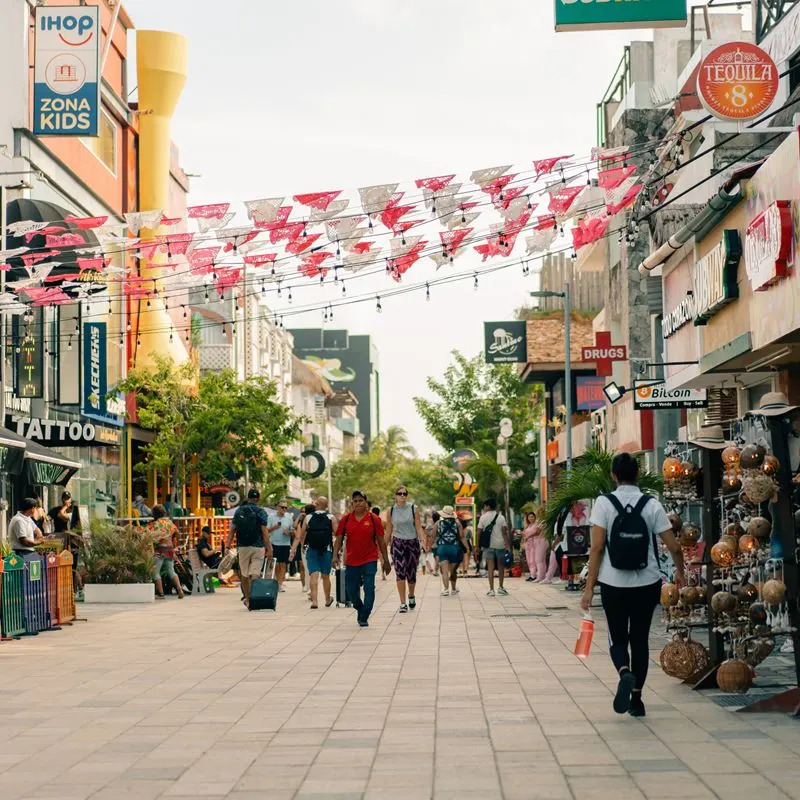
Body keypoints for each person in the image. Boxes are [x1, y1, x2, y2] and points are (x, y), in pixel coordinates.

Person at [582, 452, 685, 718]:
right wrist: (681, 574)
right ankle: (637, 700)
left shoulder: (603, 504)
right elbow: (673, 546)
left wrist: (588, 587)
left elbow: (596, 548)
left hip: (612, 582)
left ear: (613, 475)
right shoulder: (651, 504)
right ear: (638, 474)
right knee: (639, 639)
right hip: (646, 581)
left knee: (618, 638)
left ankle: (623, 672)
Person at [333, 490, 391, 627]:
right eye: (355, 501)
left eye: (361, 500)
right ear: (352, 503)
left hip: (369, 559)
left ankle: (365, 615)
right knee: (351, 590)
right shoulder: (346, 519)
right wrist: (335, 556)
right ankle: (359, 608)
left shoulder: (373, 519)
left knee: (369, 588)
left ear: (366, 503)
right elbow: (339, 538)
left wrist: (386, 560)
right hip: (352, 560)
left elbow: (381, 541)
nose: (358, 503)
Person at [226, 488, 272, 607]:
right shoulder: (261, 512)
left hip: (243, 547)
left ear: (248, 497)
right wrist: (270, 549)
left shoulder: (239, 511)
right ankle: (254, 596)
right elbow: (265, 533)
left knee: (244, 574)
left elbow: (232, 530)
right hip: (258, 547)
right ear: (258, 499)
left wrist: (227, 546)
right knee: (255, 574)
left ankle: (247, 598)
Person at [385, 485, 424, 613]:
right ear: (395, 495)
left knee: (411, 573)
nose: (402, 496)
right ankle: (402, 603)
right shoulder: (391, 511)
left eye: (404, 494)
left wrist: (423, 541)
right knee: (400, 572)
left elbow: (418, 527)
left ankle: (411, 595)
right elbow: (389, 530)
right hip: (397, 543)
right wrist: (383, 546)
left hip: (412, 542)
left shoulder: (413, 509)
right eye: (399, 493)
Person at [291, 496, 336, 609]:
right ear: (326, 505)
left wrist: (293, 549)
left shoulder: (308, 517)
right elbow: (338, 535)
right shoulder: (331, 517)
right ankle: (327, 599)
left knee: (313, 576)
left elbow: (299, 536)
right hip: (326, 550)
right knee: (326, 576)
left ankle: (315, 601)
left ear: (316, 505)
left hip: (312, 550)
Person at [148, 505, 184, 599]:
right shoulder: (169, 523)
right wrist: (173, 542)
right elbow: (177, 533)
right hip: (169, 550)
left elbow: (147, 535)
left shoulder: (153, 524)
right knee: (171, 571)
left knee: (156, 572)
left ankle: (161, 593)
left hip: (159, 550)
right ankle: (179, 590)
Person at [477, 498, 511, 597]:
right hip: (500, 545)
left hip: (488, 546)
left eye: (485, 506)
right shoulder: (501, 517)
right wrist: (507, 545)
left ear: (488, 506)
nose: (484, 508)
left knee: (490, 567)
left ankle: (491, 589)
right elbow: (504, 533)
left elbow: (478, 532)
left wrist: (477, 546)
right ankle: (501, 587)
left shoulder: (483, 517)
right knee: (501, 567)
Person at [434, 506, 468, 596]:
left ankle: (445, 589)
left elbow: (433, 535)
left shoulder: (438, 523)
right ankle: (453, 589)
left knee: (444, 571)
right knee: (453, 571)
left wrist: (428, 546)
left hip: (442, 548)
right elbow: (462, 537)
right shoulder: (458, 523)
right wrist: (467, 547)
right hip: (455, 548)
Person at [268, 500, 295, 591]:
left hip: (285, 543)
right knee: (276, 564)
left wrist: (289, 532)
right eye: (282, 507)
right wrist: (274, 527)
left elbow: (293, 531)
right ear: (277, 507)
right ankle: (276, 581)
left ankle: (280, 583)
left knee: (283, 564)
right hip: (274, 543)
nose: (284, 509)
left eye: (285, 508)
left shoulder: (289, 517)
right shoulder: (271, 517)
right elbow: (266, 530)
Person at [523, 511, 549, 583]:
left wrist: (528, 536)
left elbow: (537, 532)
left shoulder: (540, 523)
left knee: (537, 560)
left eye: (532, 516)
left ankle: (538, 576)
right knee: (537, 560)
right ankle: (539, 576)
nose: (531, 518)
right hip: (532, 543)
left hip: (539, 542)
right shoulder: (529, 525)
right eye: (529, 517)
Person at [422, 511, 439, 576]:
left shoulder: (430, 525)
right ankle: (436, 570)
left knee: (436, 557)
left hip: (433, 543)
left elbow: (426, 533)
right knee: (438, 557)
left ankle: (435, 570)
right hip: (440, 543)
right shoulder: (440, 524)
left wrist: (430, 535)